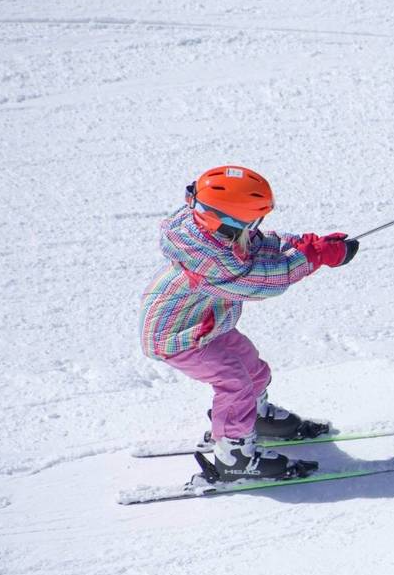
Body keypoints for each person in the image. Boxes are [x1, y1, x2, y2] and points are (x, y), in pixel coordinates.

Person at [139, 165, 358, 481]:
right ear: (226, 221)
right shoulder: (210, 262)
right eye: (252, 221)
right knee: (234, 383)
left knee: (253, 369)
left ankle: (252, 418)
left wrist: (307, 245)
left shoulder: (209, 230)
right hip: (178, 339)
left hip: (206, 325)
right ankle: (234, 456)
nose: (256, 227)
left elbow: (258, 245)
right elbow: (264, 281)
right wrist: (311, 259)